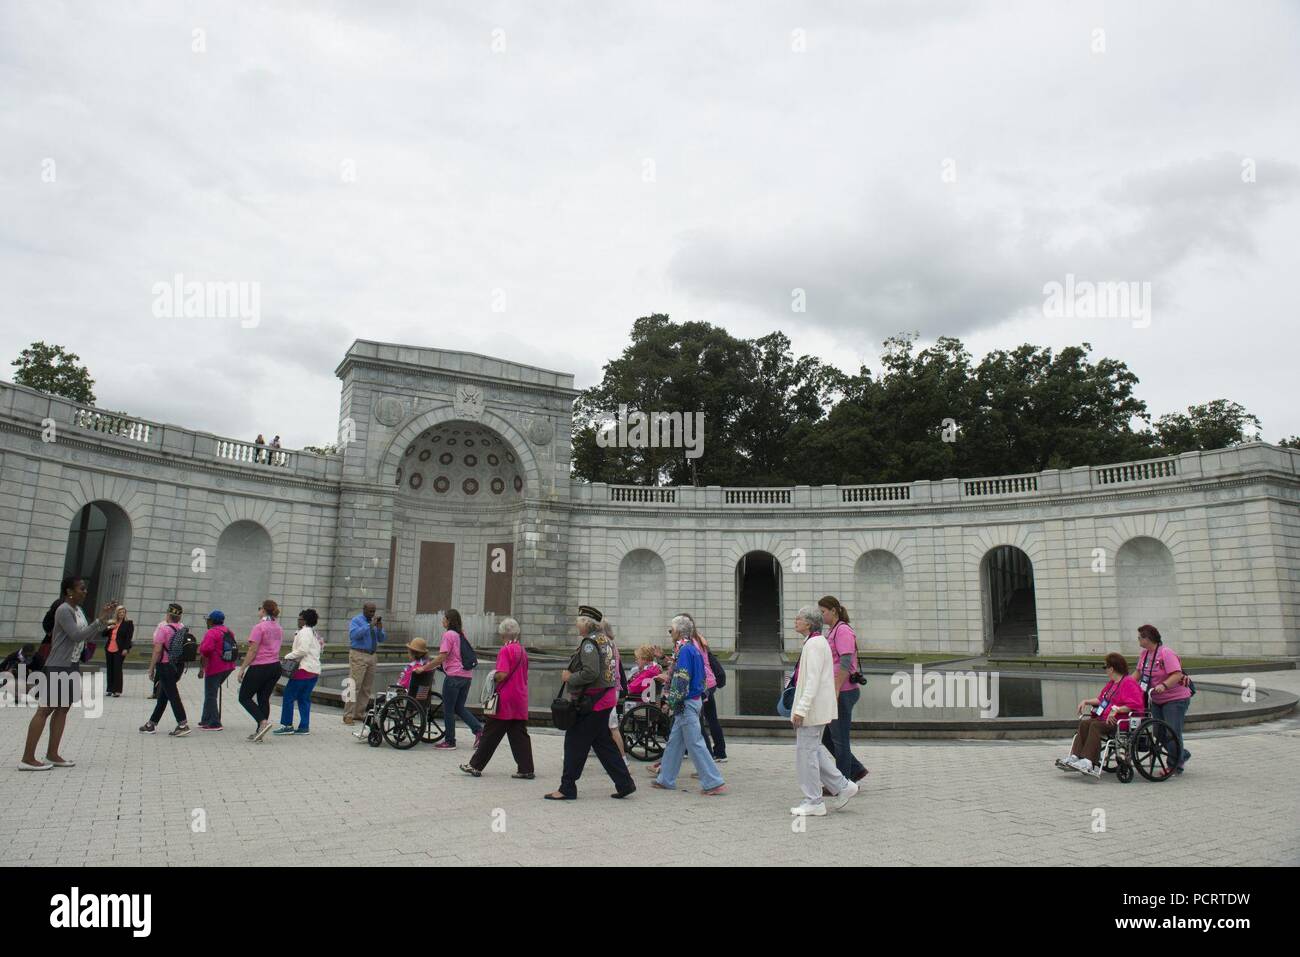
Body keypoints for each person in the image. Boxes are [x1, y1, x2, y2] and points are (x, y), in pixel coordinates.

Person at [19, 577, 115, 770]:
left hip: (71, 664)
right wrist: (100, 620)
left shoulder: (78, 610)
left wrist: (101, 621)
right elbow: (77, 635)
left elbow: (86, 636)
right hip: (58, 665)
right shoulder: (64, 610)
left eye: (85, 588)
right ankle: (27, 758)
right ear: (69, 591)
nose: (85, 591)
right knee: (45, 709)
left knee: (63, 708)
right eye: (81, 589)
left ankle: (52, 754)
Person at [544, 606, 636, 800]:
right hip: (605, 699)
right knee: (604, 744)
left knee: (574, 743)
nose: (577, 626)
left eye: (579, 622)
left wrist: (570, 677)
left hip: (591, 703)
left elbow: (591, 672)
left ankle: (567, 787)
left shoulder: (589, 644)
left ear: (587, 624)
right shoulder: (607, 642)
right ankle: (625, 783)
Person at [790, 605, 858, 816]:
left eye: (798, 618)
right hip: (815, 708)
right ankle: (843, 786)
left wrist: (801, 709)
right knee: (812, 750)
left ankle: (814, 800)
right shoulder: (815, 642)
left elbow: (812, 681)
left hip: (812, 710)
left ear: (808, 623)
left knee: (807, 754)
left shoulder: (814, 645)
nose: (795, 621)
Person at [652, 616, 727, 796]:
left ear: (678, 631)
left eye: (671, 630)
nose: (670, 633)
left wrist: (671, 701)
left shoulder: (684, 650)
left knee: (695, 743)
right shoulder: (692, 648)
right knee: (675, 742)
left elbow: (682, 679)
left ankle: (713, 782)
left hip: (686, 703)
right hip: (692, 701)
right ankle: (666, 779)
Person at [461, 617, 534, 779]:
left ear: (502, 634)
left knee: (490, 733)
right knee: (519, 734)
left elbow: (502, 674)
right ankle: (526, 768)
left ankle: (475, 766)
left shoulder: (505, 650)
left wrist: (491, 677)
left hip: (505, 698)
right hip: (520, 697)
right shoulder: (522, 650)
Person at [1057, 652, 1144, 776]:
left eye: (1105, 668)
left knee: (1095, 726)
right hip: (1105, 718)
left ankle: (1088, 761)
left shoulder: (1128, 682)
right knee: (1085, 723)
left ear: (1112, 668)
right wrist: (1086, 701)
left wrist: (1116, 710)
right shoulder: (1112, 684)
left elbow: (1134, 704)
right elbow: (1101, 700)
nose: (1105, 671)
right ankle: (1075, 756)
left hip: (1121, 722)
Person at [819, 595, 868, 783]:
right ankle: (855, 770)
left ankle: (843, 783)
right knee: (829, 738)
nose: (821, 616)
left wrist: (836, 688)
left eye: (823, 612)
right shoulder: (833, 630)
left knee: (840, 740)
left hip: (843, 691)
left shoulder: (843, 630)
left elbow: (846, 661)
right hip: (837, 690)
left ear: (833, 611)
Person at [1136, 624, 1193, 775]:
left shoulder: (1165, 653)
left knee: (1172, 731)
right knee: (1158, 733)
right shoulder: (1144, 654)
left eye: (1140, 637)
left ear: (1148, 638)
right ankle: (1182, 754)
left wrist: (1164, 685)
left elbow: (1177, 674)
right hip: (1156, 699)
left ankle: (1175, 766)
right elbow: (1138, 673)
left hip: (1175, 699)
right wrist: (1124, 684)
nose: (1138, 640)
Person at [428, 609, 482, 751]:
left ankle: (450, 741)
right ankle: (479, 731)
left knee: (448, 709)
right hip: (466, 676)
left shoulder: (448, 635)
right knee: (459, 707)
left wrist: (425, 667)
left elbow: (442, 656)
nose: (442, 621)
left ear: (449, 621)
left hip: (454, 677)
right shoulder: (460, 634)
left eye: (444, 618)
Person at [139, 603, 191, 737]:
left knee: (172, 695)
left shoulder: (163, 629)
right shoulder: (183, 628)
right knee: (163, 695)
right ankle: (152, 724)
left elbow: (157, 651)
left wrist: (151, 668)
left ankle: (182, 724)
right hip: (178, 666)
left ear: (168, 615)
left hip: (165, 665)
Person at [237, 600, 284, 742]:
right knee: (263, 698)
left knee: (244, 697)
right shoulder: (278, 627)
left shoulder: (259, 627)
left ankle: (262, 722)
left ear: (263, 610)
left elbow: (253, 649)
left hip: (260, 666)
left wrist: (242, 668)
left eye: (259, 608)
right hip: (275, 666)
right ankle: (260, 732)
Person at [273, 609, 323, 735]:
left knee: (289, 696)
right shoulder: (313, 632)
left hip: (303, 670)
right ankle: (304, 727)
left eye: (299, 618)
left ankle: (287, 725)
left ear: (304, 620)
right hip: (314, 670)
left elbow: (303, 650)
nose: (298, 621)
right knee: (304, 698)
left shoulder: (305, 631)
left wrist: (288, 656)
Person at [343, 602, 385, 725]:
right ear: (364, 610)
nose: (372, 613)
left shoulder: (374, 622)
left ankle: (359, 713)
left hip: (372, 655)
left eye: (374, 611)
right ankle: (348, 715)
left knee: (366, 688)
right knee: (354, 686)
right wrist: (369, 626)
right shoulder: (357, 620)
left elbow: (381, 639)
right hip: (359, 654)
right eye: (370, 611)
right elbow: (353, 635)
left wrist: (380, 629)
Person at [197, 610, 237, 730]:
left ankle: (215, 722)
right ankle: (205, 719)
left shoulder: (211, 632)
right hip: (228, 666)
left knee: (210, 694)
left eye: (208, 619)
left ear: (211, 621)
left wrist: (202, 668)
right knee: (211, 692)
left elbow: (205, 650)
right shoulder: (228, 631)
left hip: (215, 667)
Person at [603, 620, 627, 760]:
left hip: (609, 690)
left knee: (612, 726)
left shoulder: (607, 645)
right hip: (612, 689)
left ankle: (622, 760)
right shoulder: (611, 644)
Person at [101, 605, 133, 697]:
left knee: (117, 669)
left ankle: (117, 690)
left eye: (123, 612)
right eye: (120, 612)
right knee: (110, 668)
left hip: (120, 649)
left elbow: (128, 637)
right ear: (117, 613)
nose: (122, 614)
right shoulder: (112, 622)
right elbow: (103, 634)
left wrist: (126, 648)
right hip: (109, 648)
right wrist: (109, 628)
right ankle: (110, 689)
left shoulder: (128, 623)